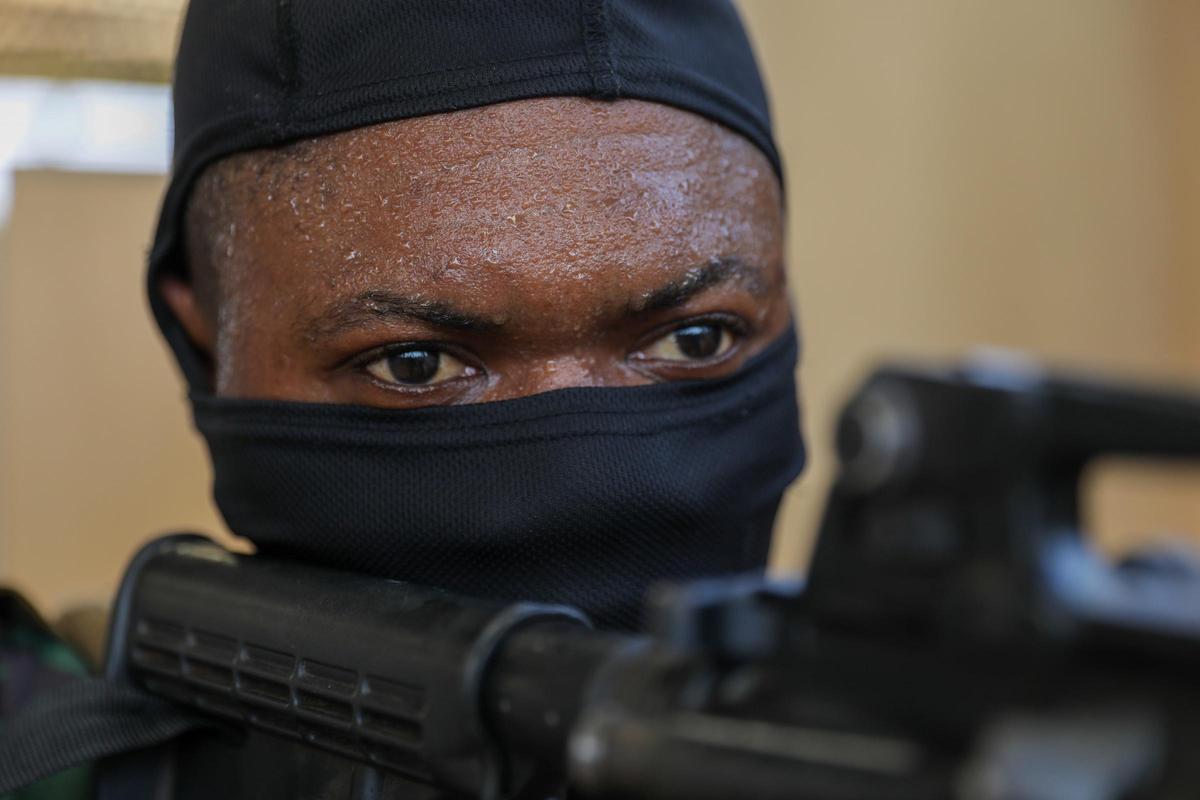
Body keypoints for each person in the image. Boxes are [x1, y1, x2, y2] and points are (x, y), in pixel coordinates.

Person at [3, 1, 806, 796]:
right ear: (206, 344)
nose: (596, 474)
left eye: (695, 340)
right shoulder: (52, 753)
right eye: (416, 365)